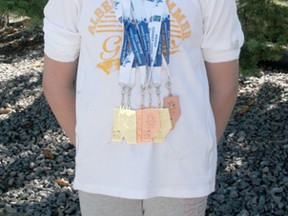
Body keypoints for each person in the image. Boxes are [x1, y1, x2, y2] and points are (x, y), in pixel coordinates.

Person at [42, 0, 244, 215]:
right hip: (103, 172)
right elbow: (56, 84)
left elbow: (225, 87)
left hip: (181, 173)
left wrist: (200, 147)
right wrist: (89, 145)